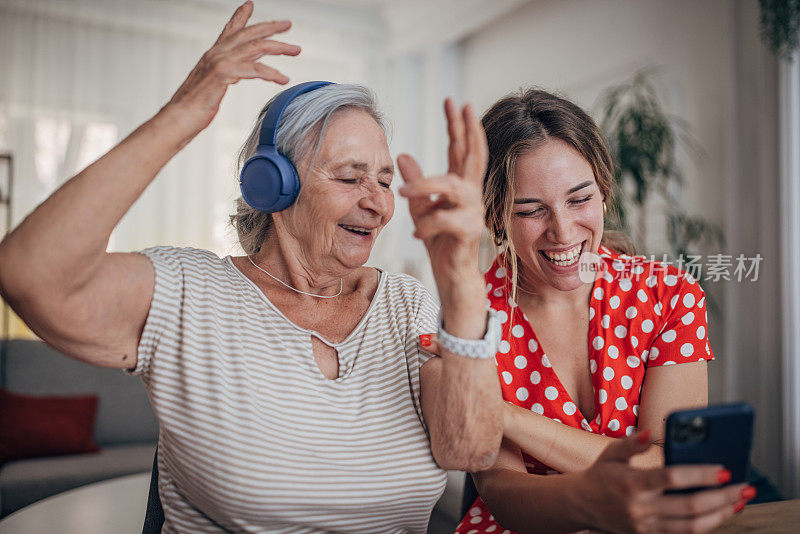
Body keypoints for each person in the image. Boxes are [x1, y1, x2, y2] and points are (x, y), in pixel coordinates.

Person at [0, 2, 505, 532]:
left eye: (383, 180)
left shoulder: (409, 304)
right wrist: (183, 115)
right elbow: (31, 272)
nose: (377, 202)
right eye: (351, 177)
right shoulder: (189, 294)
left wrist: (460, 279)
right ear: (273, 184)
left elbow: (470, 449)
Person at [446, 89, 755, 534]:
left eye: (579, 199)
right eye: (531, 210)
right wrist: (599, 499)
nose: (563, 231)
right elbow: (503, 491)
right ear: (495, 217)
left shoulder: (669, 295)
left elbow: (668, 459)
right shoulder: (469, 318)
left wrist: (507, 417)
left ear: (604, 192)